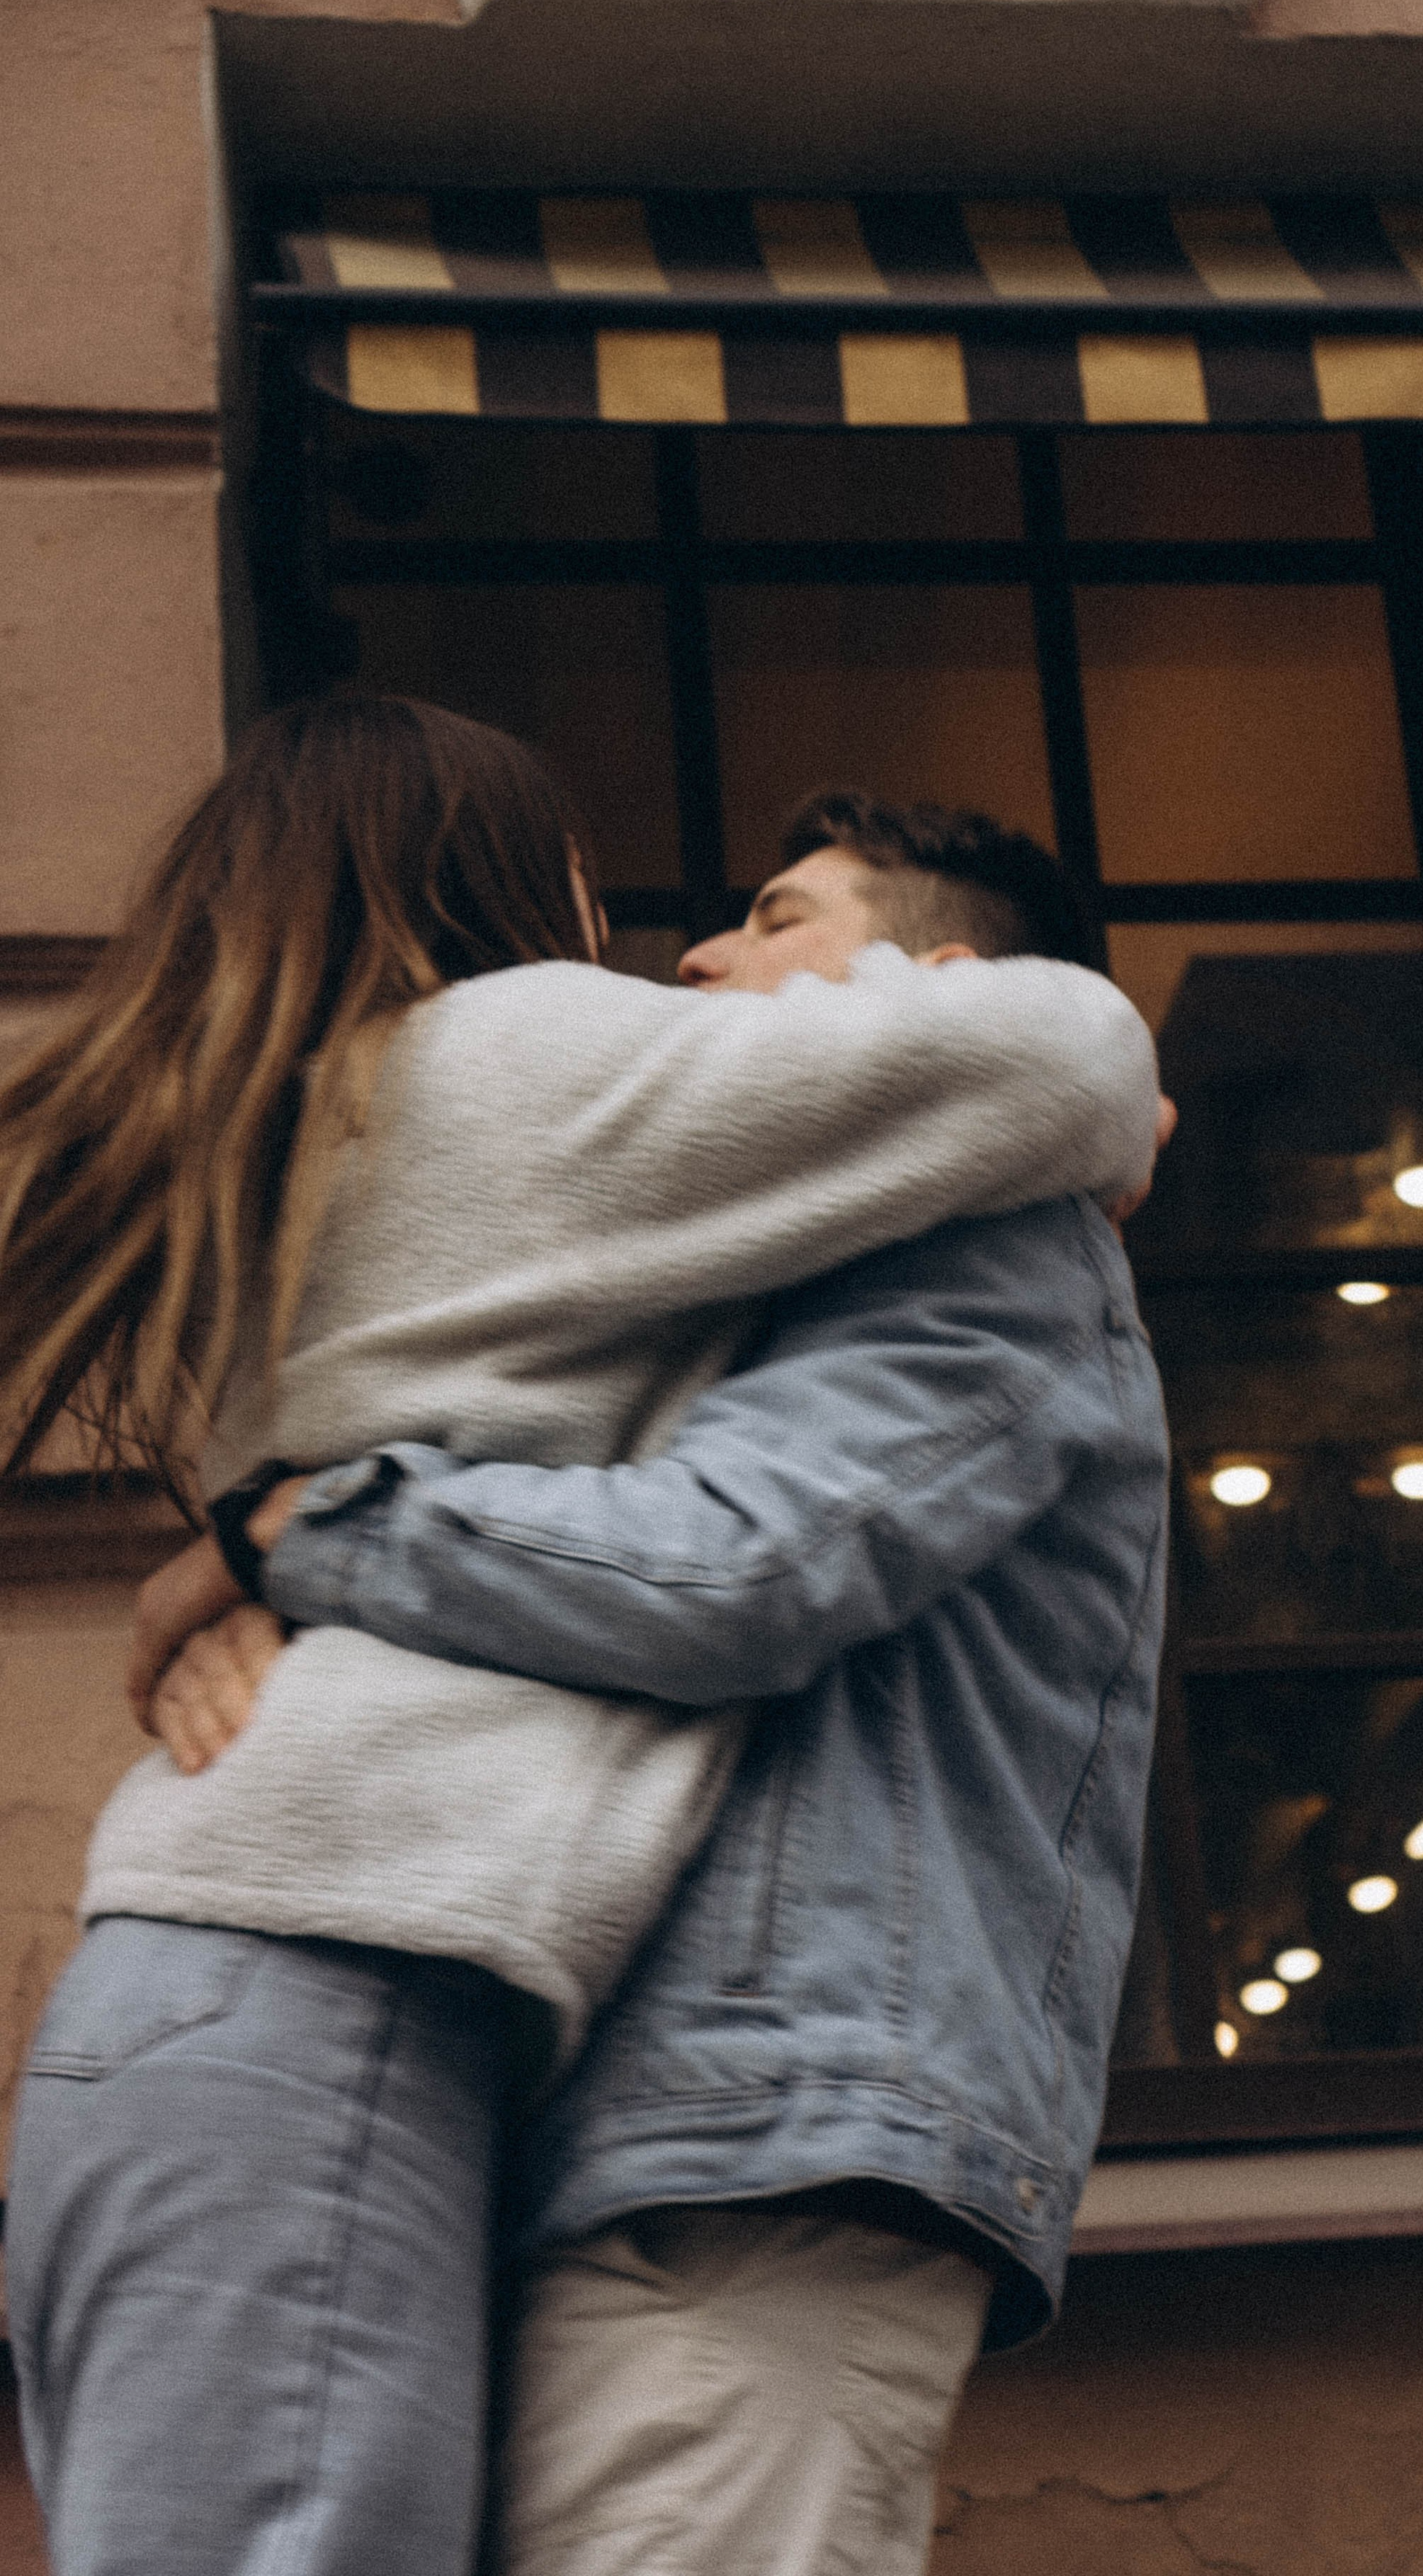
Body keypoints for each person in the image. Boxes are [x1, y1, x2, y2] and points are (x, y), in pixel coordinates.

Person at [2, 709, 1164, 2576]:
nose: (683, 960)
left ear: (935, 983)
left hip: (391, 2022)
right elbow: (1079, 1053)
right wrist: (284, 1542)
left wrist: (291, 1532)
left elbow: (731, 1561)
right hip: (346, 1982)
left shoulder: (328, 1125)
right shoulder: (530, 1075)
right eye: (605, 903)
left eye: (773, 920)